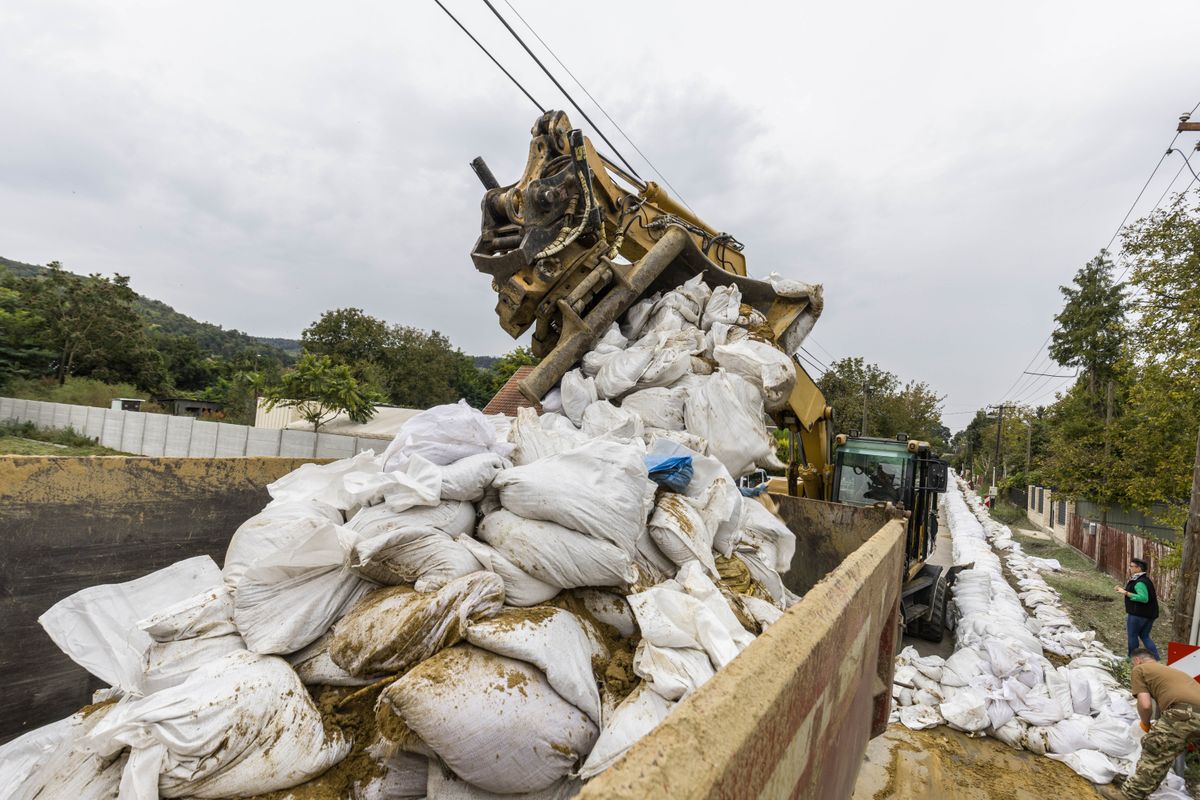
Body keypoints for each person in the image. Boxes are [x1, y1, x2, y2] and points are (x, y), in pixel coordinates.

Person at [1113, 648, 1200, 799]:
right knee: (1166, 748)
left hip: (1184, 713)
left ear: (1137, 660)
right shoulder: (1170, 672)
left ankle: (1130, 795)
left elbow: (1145, 705)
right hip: (1191, 712)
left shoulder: (1140, 669)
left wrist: (1145, 724)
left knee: (1156, 749)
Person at [1115, 558, 1160, 660]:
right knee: (1145, 636)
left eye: (1131, 566)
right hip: (1150, 614)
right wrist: (1122, 589)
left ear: (1138, 568)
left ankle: (1131, 658)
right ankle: (1156, 659)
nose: (1130, 568)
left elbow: (1143, 598)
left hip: (1138, 614)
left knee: (1132, 636)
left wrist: (1125, 592)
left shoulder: (1140, 582)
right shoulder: (1144, 580)